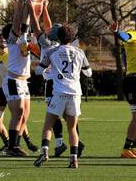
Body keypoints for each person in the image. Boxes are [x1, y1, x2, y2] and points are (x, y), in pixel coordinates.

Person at [31, 1, 85, 158]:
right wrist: (45, 8)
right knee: (70, 118)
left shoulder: (47, 44)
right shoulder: (63, 45)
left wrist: (32, 9)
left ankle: (59, 143)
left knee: (53, 115)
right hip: (72, 86)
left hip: (53, 83)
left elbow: (37, 28)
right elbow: (49, 27)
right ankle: (74, 143)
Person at [34, 24, 92, 168]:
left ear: (57, 37)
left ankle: (44, 152)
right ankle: (73, 159)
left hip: (58, 92)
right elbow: (88, 73)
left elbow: (38, 71)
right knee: (72, 128)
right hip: (75, 94)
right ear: (72, 38)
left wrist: (49, 68)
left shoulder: (51, 52)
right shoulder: (80, 52)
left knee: (48, 124)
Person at [0, 33, 38, 154]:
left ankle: (25, 142)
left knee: (18, 115)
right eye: (0, 38)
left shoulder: (13, 54)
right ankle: (8, 144)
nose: (2, 39)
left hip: (12, 88)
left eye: (4, 37)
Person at [1, 0, 33, 156]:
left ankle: (16, 145)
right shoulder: (13, 40)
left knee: (26, 113)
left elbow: (25, 20)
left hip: (23, 82)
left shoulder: (23, 38)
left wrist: (30, 3)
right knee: (18, 112)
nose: (20, 29)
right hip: (13, 80)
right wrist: (20, 3)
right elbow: (16, 21)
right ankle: (11, 147)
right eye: (17, 29)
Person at [109, 21, 136, 158]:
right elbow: (125, 36)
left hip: (132, 80)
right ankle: (127, 148)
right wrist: (117, 32)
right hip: (134, 81)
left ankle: (133, 147)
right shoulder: (134, 35)